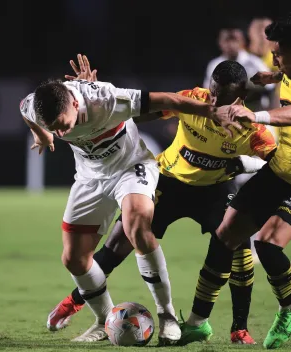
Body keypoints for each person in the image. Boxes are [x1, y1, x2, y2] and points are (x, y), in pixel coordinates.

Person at [45, 59, 277, 345]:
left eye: (223, 98)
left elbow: (277, 161)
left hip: (215, 189)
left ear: (240, 97)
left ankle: (238, 328)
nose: (214, 101)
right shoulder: (193, 100)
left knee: (238, 245)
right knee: (120, 241)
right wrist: (100, 100)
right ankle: (75, 301)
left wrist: (246, 163)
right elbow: (145, 111)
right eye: (212, 92)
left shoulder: (251, 126)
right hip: (170, 180)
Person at [179, 12, 291, 349]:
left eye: (279, 55)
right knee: (225, 233)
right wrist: (269, 77)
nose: (274, 59)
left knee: (268, 244)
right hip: (278, 170)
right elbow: (283, 74)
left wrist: (254, 114)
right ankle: (198, 322)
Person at [203, 26, 276, 112]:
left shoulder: (254, 62)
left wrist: (249, 82)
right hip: (226, 112)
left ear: (242, 42)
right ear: (220, 43)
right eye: (227, 40)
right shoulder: (214, 65)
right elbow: (207, 91)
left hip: (255, 110)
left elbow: (271, 86)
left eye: (234, 40)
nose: (231, 45)